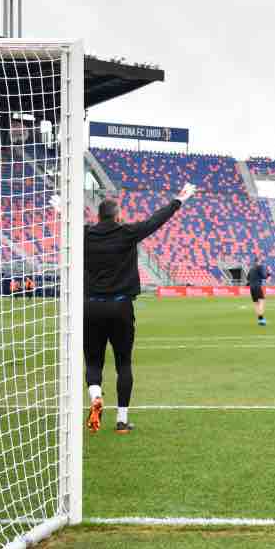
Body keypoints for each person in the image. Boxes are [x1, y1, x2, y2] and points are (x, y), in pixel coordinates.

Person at [84, 183, 198, 434]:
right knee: (123, 363)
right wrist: (178, 200)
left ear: (97, 216)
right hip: (121, 307)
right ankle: (122, 421)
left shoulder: (86, 234)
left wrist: (62, 211)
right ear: (117, 216)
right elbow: (156, 220)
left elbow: (68, 229)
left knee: (93, 361)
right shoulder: (126, 232)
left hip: (91, 306)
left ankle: (95, 396)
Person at [247, 258, 270, 326]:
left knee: (256, 303)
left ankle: (260, 320)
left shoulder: (251, 268)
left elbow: (247, 278)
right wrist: (268, 274)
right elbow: (264, 276)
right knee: (262, 301)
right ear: (258, 261)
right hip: (257, 286)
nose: (261, 262)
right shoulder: (259, 266)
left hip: (251, 287)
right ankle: (261, 319)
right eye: (260, 261)